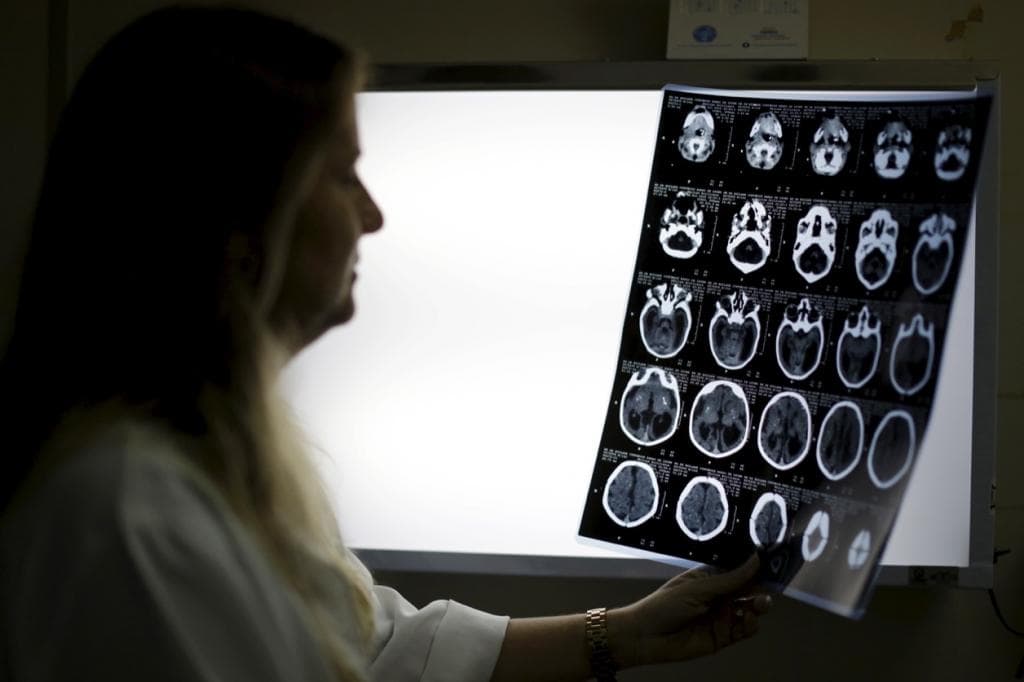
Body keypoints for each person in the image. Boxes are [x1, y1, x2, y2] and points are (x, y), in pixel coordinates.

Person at [0, 7, 771, 681]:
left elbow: (370, 648)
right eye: (342, 175)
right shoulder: (129, 518)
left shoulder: (217, 465)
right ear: (234, 222)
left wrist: (624, 636)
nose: (371, 216)